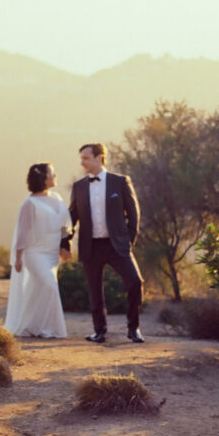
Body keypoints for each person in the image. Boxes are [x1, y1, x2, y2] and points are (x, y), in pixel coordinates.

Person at [60, 143, 144, 343]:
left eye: (86, 158)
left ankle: (134, 329)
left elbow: (134, 213)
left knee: (135, 282)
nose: (82, 163)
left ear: (100, 158)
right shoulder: (78, 186)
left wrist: (129, 239)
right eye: (81, 158)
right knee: (95, 290)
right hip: (91, 246)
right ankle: (100, 331)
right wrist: (65, 241)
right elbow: (72, 216)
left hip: (117, 245)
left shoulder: (120, 182)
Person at [4, 162, 72, 338]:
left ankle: (33, 326)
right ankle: (42, 327)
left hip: (51, 254)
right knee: (50, 286)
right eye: (52, 173)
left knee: (38, 289)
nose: (55, 176)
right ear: (43, 177)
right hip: (34, 253)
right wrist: (18, 258)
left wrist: (65, 247)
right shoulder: (29, 203)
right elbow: (22, 233)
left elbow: (64, 227)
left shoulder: (57, 198)